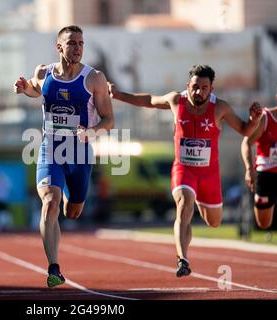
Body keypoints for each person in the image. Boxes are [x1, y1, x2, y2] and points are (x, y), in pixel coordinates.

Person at [108, 64, 262, 277]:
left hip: (209, 175)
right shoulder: (175, 100)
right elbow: (149, 100)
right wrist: (117, 95)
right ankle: (183, 259)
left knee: (214, 222)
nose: (199, 92)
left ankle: (198, 199)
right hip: (184, 169)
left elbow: (245, 130)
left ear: (211, 89)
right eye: (195, 87)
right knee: (184, 205)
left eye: (204, 88)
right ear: (187, 85)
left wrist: (254, 120)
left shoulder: (221, 108)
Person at [14, 25, 114, 288]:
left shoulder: (94, 79)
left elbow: (109, 120)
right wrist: (25, 88)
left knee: (73, 212)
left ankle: (70, 197)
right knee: (50, 201)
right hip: (51, 149)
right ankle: (54, 268)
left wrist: (91, 132)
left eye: (81, 43)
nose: (77, 48)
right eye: (71, 43)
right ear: (59, 47)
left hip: (79, 153)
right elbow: (37, 89)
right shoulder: (44, 72)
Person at [241, 80, 277, 271]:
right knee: (263, 223)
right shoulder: (266, 118)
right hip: (265, 175)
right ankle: (267, 209)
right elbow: (246, 143)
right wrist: (249, 169)